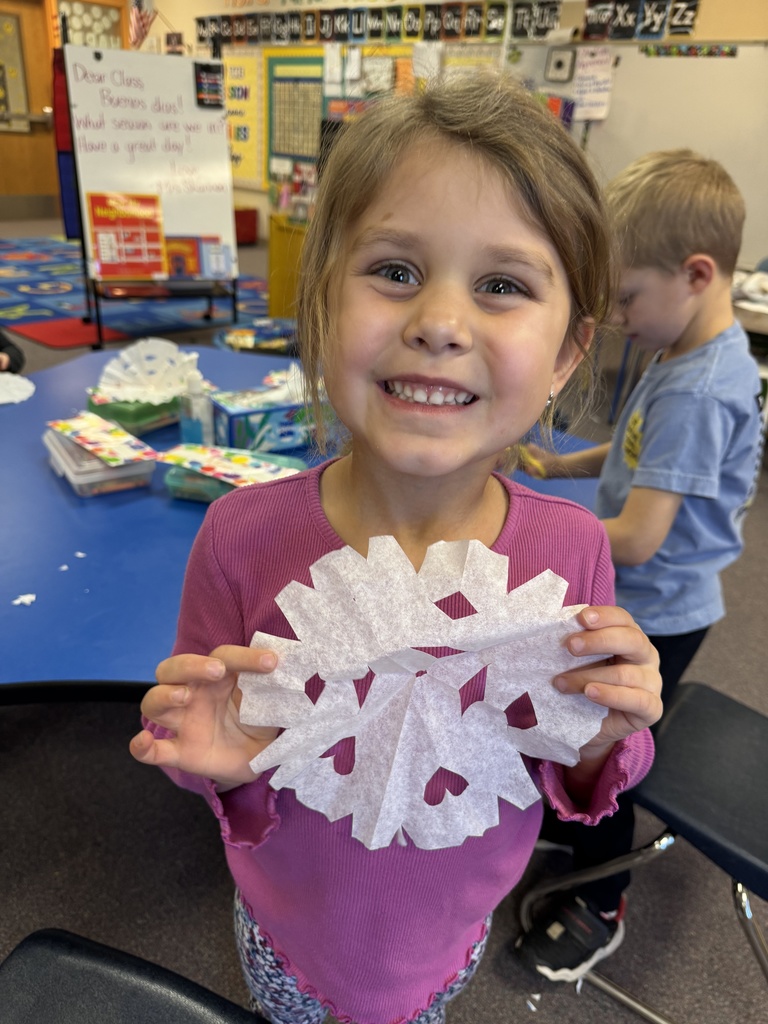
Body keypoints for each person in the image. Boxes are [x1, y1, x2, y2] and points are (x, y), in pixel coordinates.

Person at [129, 72, 661, 1024]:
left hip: (452, 938)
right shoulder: (241, 536)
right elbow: (204, 751)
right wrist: (212, 760)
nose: (440, 324)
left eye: (502, 286)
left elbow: (571, 767)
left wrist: (605, 741)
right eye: (396, 271)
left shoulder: (572, 548)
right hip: (289, 939)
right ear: (323, 305)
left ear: (566, 356)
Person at [515, 149, 764, 984]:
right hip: (655, 597)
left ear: (696, 274)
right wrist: (562, 466)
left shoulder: (698, 389)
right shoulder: (686, 350)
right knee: (582, 725)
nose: (618, 318)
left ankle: (601, 901)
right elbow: (634, 450)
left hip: (659, 607)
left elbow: (639, 536)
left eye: (626, 298)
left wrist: (541, 525)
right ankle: (574, 827)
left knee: (610, 747)